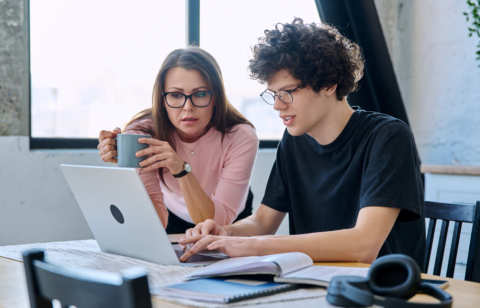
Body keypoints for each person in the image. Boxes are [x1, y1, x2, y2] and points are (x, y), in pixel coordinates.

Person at [179, 18, 426, 268]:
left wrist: (254, 246)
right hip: (315, 282)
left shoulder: (388, 137)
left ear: (330, 83)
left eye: (288, 91)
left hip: (382, 289)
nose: (277, 105)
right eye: (274, 94)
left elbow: (364, 245)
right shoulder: (294, 142)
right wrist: (225, 233)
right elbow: (263, 222)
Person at [97, 47, 258, 234]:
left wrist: (181, 169)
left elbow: (217, 222)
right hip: (171, 214)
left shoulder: (240, 136)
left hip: (227, 215)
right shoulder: (142, 133)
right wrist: (129, 167)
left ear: (217, 97)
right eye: (176, 95)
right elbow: (153, 224)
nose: (188, 107)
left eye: (200, 94)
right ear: (162, 98)